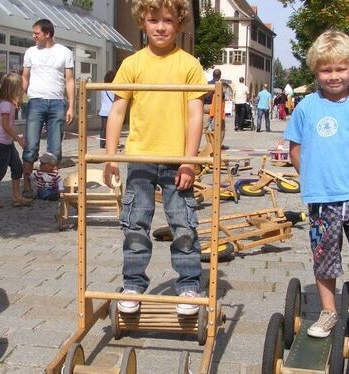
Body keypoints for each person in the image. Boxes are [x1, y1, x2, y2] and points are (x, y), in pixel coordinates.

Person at [283, 30, 349, 338]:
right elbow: (295, 148)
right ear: (316, 71)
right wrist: (312, 174)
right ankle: (328, 311)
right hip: (321, 198)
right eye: (326, 70)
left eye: (340, 69)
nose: (333, 76)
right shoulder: (306, 107)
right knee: (324, 252)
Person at [103, 0, 205, 316]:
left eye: (168, 20)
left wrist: (190, 160)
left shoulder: (189, 65)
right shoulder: (132, 64)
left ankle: (188, 284)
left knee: (183, 223)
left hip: (176, 159)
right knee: (135, 222)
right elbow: (117, 110)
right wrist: (109, 157)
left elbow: (195, 116)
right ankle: (133, 284)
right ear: (142, 23)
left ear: (179, 23)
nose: (160, 27)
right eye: (153, 20)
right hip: (141, 156)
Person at [21, 19, 75, 198]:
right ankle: (27, 184)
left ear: (48, 34)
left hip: (57, 102)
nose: (33, 36)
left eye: (36, 33)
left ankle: (51, 185)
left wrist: (71, 105)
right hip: (35, 101)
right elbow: (25, 77)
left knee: (55, 149)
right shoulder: (30, 52)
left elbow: (69, 80)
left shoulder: (65, 52)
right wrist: (19, 97)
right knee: (31, 146)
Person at [0, 73, 32, 209]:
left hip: (7, 142)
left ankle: (16, 197)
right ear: (13, 89)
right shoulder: (5, 105)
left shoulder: (10, 104)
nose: (21, 90)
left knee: (17, 167)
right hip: (0, 142)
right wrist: (19, 140)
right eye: (19, 88)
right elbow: (5, 126)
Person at [99, 70, 117, 149]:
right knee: (113, 127)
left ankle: (102, 143)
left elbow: (102, 99)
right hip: (112, 110)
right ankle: (112, 143)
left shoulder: (103, 88)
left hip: (103, 110)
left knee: (103, 127)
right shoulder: (114, 88)